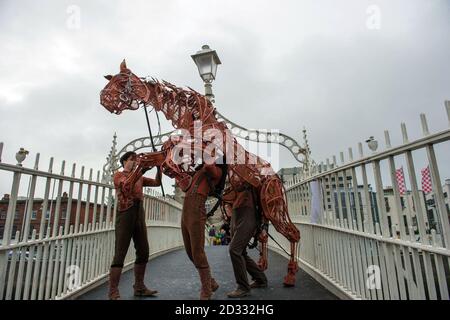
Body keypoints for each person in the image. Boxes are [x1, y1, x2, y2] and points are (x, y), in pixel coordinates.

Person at [108, 151, 162, 300]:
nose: (135, 161)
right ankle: (113, 291)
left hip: (139, 212)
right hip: (125, 213)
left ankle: (139, 287)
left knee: (144, 250)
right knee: (120, 253)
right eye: (132, 159)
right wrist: (141, 171)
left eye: (136, 159)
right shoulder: (118, 175)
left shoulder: (139, 177)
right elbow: (126, 186)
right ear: (125, 161)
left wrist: (159, 167)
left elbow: (157, 183)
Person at [181, 163, 223, 300]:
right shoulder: (198, 172)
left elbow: (210, 168)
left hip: (197, 208)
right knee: (189, 251)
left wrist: (205, 156)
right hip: (186, 209)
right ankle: (210, 282)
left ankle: (206, 290)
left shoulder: (217, 170)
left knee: (197, 252)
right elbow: (183, 184)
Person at [227, 183, 268, 298]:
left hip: (247, 211)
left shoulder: (251, 173)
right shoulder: (234, 173)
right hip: (237, 211)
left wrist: (263, 225)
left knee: (234, 250)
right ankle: (260, 279)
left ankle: (243, 287)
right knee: (241, 252)